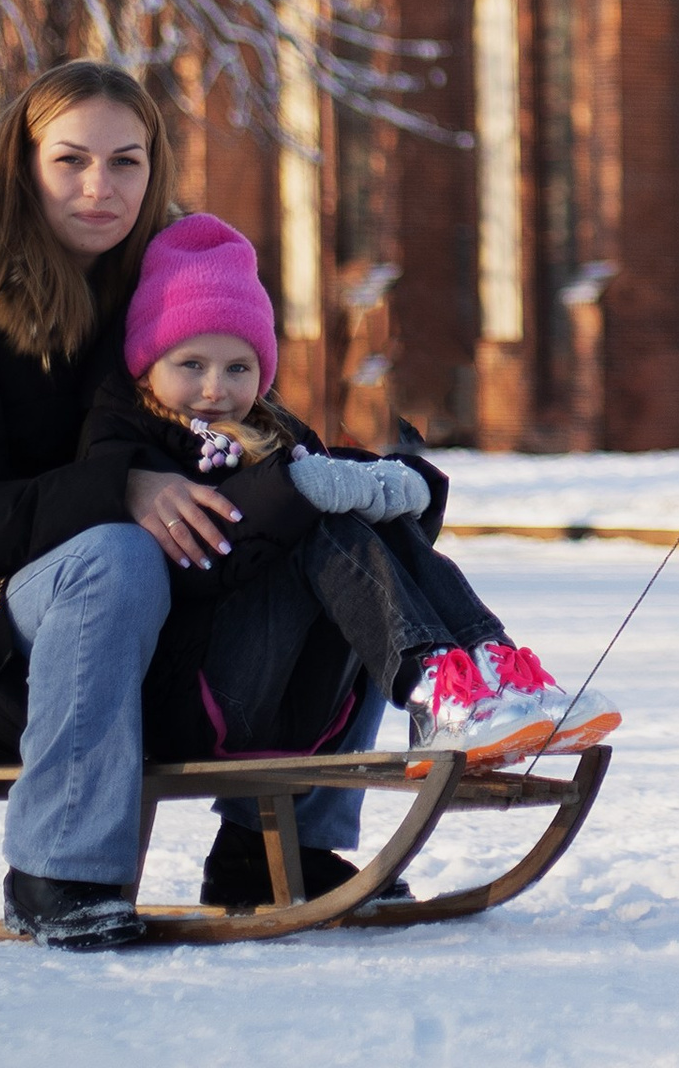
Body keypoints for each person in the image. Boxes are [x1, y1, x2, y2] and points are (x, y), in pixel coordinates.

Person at [0, 62, 370, 951]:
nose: (101, 187)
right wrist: (122, 489)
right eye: (71, 160)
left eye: (127, 162)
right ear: (21, 166)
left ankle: (277, 846)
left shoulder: (161, 299)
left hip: (136, 633)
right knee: (117, 552)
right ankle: (61, 873)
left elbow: (242, 434)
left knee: (332, 522)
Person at [76, 210, 598, 806]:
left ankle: (490, 666)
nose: (215, 388)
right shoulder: (133, 443)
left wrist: (401, 489)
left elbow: (340, 502)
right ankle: (434, 691)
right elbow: (201, 557)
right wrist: (303, 492)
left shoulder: (272, 430)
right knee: (320, 518)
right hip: (196, 697)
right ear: (147, 367)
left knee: (351, 514)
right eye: (191, 364)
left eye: (238, 367)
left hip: (292, 693)